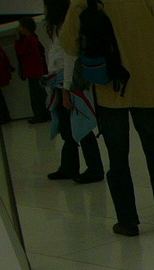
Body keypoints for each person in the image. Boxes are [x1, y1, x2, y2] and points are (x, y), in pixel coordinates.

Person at [62, 0, 154, 236]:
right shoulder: (146, 3)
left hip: (109, 90)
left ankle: (127, 221)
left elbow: (69, 45)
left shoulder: (87, 2)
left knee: (117, 159)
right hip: (148, 88)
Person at [43, 0, 103, 183]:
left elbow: (69, 58)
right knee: (68, 127)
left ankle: (94, 168)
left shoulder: (65, 27)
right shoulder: (59, 27)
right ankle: (70, 166)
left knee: (79, 126)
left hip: (66, 81)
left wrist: (67, 89)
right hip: (61, 80)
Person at [15, 16, 51, 123]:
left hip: (33, 72)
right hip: (36, 71)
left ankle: (41, 114)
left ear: (26, 28)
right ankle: (46, 114)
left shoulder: (29, 40)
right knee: (39, 93)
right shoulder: (34, 38)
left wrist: (17, 40)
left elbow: (20, 51)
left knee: (37, 94)